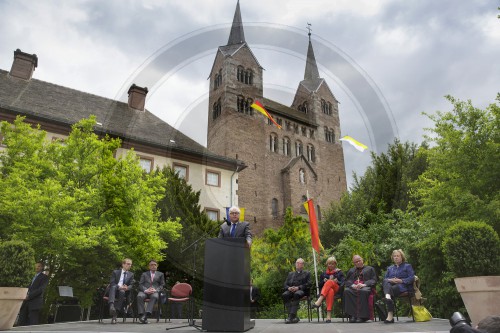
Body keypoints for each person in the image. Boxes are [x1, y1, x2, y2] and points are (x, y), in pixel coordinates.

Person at [382, 249, 415, 324]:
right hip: (391, 286)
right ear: (392, 258)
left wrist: (401, 281)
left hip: (403, 286)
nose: (396, 257)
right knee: (386, 282)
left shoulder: (407, 266)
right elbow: (385, 279)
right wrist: (391, 280)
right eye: (394, 256)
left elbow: (411, 278)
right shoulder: (390, 268)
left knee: (391, 289)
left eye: (398, 256)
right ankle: (388, 297)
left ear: (402, 257)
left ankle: (390, 315)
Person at [344, 254, 377, 323]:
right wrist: (353, 285)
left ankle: (362, 317)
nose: (358, 262)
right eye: (356, 262)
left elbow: (374, 280)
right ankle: (352, 316)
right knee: (347, 291)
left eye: (359, 261)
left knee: (363, 291)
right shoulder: (351, 270)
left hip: (365, 287)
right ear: (354, 263)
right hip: (354, 287)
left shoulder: (370, 269)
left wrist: (364, 284)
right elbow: (347, 281)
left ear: (362, 260)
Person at [311, 256, 345, 323]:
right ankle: (328, 316)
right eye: (329, 264)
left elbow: (343, 282)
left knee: (329, 282)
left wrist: (337, 281)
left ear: (335, 264)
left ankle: (319, 301)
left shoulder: (339, 272)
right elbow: (320, 285)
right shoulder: (324, 273)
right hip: (327, 291)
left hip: (337, 290)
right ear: (327, 264)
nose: (331, 265)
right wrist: (323, 281)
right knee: (330, 291)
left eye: (332, 264)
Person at [18, 262, 49, 326]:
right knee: (21, 321)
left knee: (33, 323)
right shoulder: (31, 276)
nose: (37, 267)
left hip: (35, 302)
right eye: (36, 266)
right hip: (25, 302)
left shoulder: (44, 277)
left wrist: (29, 296)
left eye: (39, 266)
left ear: (42, 267)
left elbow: (40, 290)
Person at [282, 258, 311, 324]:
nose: (297, 264)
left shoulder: (307, 273)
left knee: (297, 294)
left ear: (303, 265)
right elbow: (285, 284)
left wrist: (298, 287)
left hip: (301, 291)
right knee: (285, 295)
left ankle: (290, 317)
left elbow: (309, 284)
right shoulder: (290, 274)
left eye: (299, 263)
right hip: (291, 290)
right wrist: (289, 288)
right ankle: (294, 317)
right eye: (296, 263)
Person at [136, 260, 165, 324]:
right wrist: (146, 290)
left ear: (157, 266)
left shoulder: (161, 274)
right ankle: (141, 315)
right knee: (139, 296)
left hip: (154, 291)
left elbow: (162, 285)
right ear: (149, 266)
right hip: (144, 291)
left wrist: (156, 290)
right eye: (151, 265)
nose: (153, 266)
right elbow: (140, 284)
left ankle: (146, 314)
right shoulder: (144, 274)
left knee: (155, 296)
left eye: (155, 265)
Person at [108, 258, 134, 324]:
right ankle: (111, 305)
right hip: (113, 291)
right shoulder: (115, 272)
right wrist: (119, 287)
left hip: (123, 292)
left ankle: (115, 315)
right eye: (128, 264)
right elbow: (112, 282)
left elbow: (131, 285)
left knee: (122, 292)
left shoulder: (131, 274)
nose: (130, 265)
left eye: (130, 264)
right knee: (113, 286)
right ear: (123, 264)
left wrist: (127, 287)